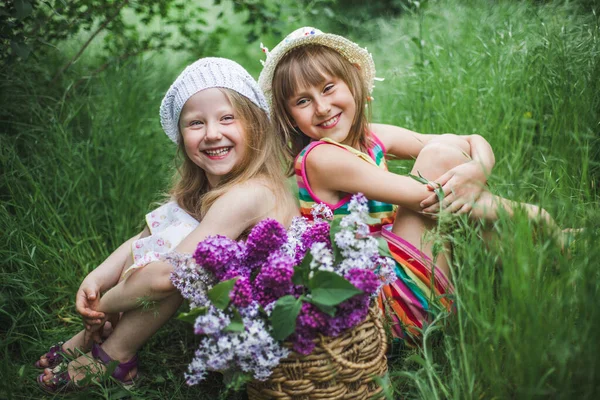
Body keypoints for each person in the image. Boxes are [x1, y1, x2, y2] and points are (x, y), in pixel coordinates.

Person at [258, 27, 564, 342]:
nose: (322, 107)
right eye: (303, 101)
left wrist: (480, 167)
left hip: (408, 279)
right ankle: (544, 246)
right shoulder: (319, 159)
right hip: (384, 307)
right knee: (441, 163)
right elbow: (430, 197)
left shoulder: (371, 135)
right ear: (291, 117)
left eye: (328, 88)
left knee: (445, 157)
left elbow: (470, 141)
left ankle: (535, 266)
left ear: (353, 81)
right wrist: (532, 213)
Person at [37, 57, 298, 392]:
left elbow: (167, 277)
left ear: (256, 125)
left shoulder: (251, 193)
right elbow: (144, 238)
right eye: (195, 124)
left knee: (174, 268)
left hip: (265, 328)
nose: (212, 134)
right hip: (227, 302)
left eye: (227, 118)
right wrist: (98, 279)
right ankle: (97, 337)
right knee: (170, 233)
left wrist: (102, 306)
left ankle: (116, 353)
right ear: (181, 136)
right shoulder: (213, 187)